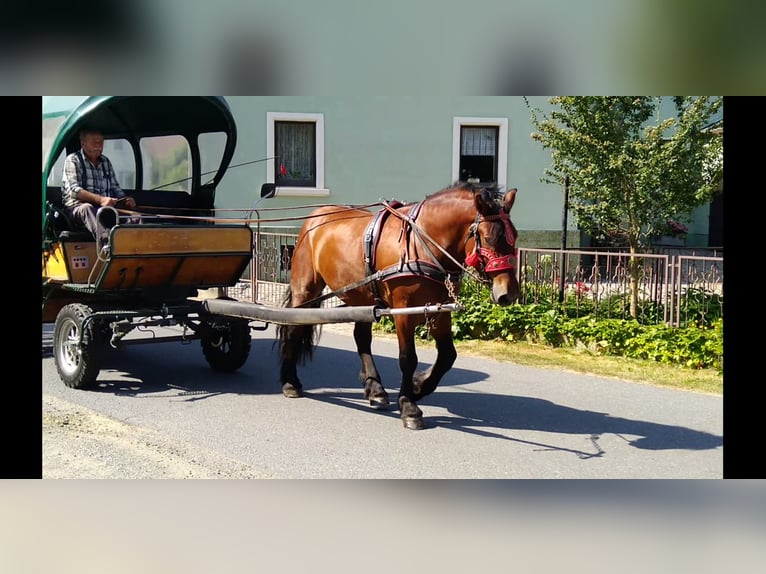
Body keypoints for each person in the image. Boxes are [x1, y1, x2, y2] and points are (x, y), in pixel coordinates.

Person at [61, 127, 137, 247]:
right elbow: (74, 191)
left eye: (101, 142)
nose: (98, 145)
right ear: (83, 143)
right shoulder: (73, 160)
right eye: (94, 142)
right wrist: (101, 200)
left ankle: (136, 248)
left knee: (135, 218)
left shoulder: (106, 162)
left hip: (104, 210)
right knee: (87, 208)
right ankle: (109, 247)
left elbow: (115, 187)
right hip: (76, 209)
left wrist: (125, 199)